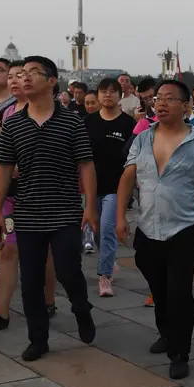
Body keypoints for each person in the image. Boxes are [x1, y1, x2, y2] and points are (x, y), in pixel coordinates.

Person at [0, 55, 98, 362]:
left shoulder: (71, 121)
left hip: (64, 210)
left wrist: (90, 207)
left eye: (34, 74)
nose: (25, 78)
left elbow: (86, 166)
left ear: (52, 82)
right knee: (31, 280)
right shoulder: (13, 125)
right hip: (27, 213)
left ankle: (82, 309)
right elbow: (2, 170)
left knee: (68, 271)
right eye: (23, 73)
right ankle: (38, 339)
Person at [116, 79, 194, 380]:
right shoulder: (142, 139)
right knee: (158, 286)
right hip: (147, 226)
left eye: (170, 98)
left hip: (184, 227)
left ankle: (180, 351)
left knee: (179, 292)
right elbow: (127, 177)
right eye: (158, 98)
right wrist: (121, 217)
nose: (160, 103)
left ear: (186, 105)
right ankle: (165, 331)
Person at [0, 60, 59, 330]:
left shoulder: (52, 113)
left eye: (21, 75)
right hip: (12, 195)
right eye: (11, 76)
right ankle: (2, 313)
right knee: (9, 248)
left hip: (43, 194)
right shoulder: (8, 112)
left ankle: (48, 302)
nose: (15, 80)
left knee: (44, 250)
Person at [87, 77, 137, 297]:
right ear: (98, 95)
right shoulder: (88, 122)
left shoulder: (128, 124)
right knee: (96, 229)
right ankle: (109, 259)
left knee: (108, 227)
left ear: (120, 95)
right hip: (91, 186)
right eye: (103, 91)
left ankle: (104, 276)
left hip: (116, 186)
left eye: (112, 91)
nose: (107, 95)